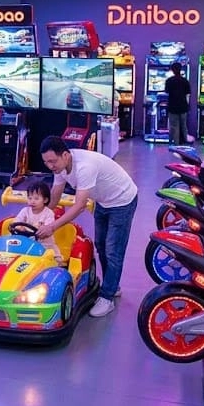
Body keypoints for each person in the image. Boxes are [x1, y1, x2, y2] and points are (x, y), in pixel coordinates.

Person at [36, 136, 137, 317]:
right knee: (100, 245)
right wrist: (40, 217)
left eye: (52, 161)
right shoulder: (60, 167)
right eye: (46, 162)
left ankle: (108, 297)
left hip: (122, 201)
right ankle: (112, 285)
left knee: (113, 249)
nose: (50, 166)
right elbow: (55, 195)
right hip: (103, 201)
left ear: (65, 155)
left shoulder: (84, 167)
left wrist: (52, 227)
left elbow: (80, 205)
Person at [13, 181, 64, 266]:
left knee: (57, 260)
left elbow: (47, 228)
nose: (32, 201)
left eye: (36, 198)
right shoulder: (25, 211)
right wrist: (19, 227)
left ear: (45, 200)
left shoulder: (48, 213)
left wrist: (26, 228)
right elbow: (17, 222)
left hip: (45, 245)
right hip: (27, 243)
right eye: (30, 198)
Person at [164, 62, 191, 145]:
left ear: (172, 70)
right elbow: (188, 94)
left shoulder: (169, 80)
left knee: (174, 126)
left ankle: (175, 143)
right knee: (183, 125)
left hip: (172, 106)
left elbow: (166, 92)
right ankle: (185, 142)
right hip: (183, 106)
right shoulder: (185, 80)